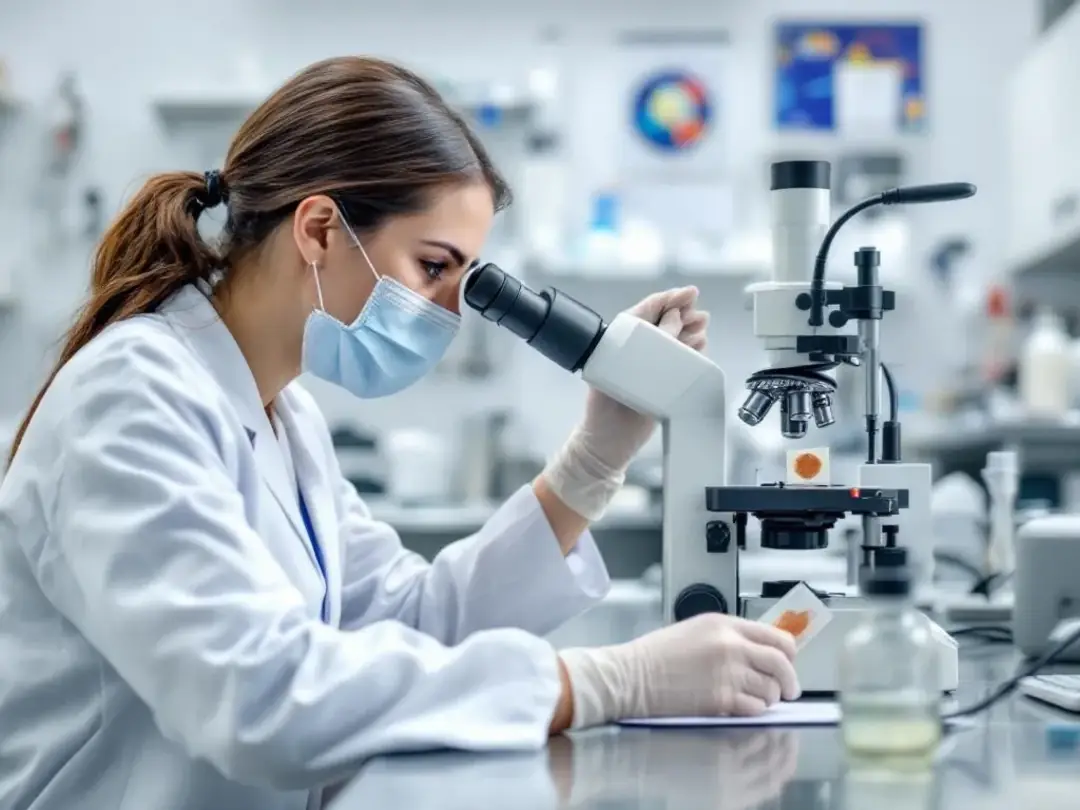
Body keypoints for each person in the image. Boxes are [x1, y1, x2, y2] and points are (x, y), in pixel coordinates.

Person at [0, 56, 799, 810]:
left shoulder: (284, 414)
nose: (452, 312)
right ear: (317, 230)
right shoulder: (132, 397)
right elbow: (258, 696)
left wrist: (591, 464)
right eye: (433, 267)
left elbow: (413, 624)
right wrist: (605, 684)